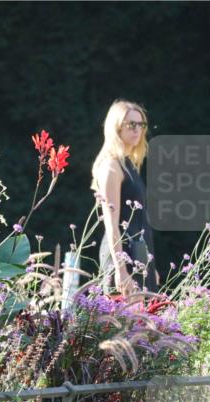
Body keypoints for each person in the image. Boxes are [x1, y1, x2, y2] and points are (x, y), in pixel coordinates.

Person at [91, 99, 158, 298]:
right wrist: (121, 270)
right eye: (131, 124)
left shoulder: (128, 165)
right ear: (116, 128)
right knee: (127, 326)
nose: (137, 129)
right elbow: (112, 224)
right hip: (122, 258)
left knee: (142, 326)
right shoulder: (111, 167)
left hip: (138, 255)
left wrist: (148, 265)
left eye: (141, 124)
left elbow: (138, 221)